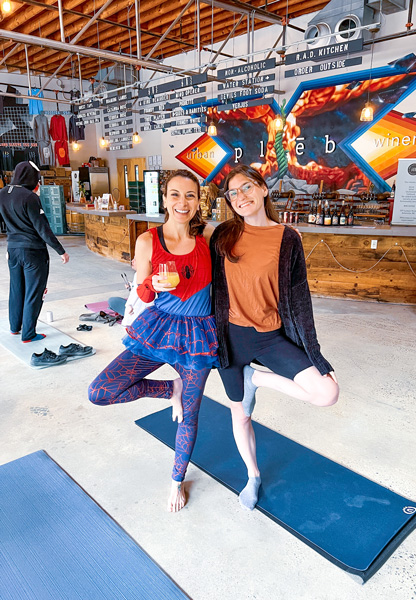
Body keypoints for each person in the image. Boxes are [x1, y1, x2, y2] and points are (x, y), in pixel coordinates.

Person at [210, 165, 339, 511]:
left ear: (264, 189)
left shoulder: (288, 238)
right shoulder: (222, 235)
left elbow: (299, 301)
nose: (241, 197)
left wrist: (316, 354)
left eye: (247, 187)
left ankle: (258, 379)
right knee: (240, 416)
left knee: (326, 392)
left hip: (269, 337)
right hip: (229, 338)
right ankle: (253, 476)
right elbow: (202, 284)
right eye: (233, 193)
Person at [88, 170, 218, 512]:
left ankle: (177, 480)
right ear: (164, 199)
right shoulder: (148, 241)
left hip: (198, 336)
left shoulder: (209, 236)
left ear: (198, 201)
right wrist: (153, 287)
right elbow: (141, 290)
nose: (182, 202)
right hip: (158, 328)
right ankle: (168, 390)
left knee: (190, 416)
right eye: (175, 195)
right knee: (99, 392)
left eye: (190, 196)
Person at [0, 161, 69, 342]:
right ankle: (29, 334)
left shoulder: (2, 194)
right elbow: (42, 228)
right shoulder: (29, 197)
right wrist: (60, 251)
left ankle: (15, 327)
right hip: (32, 251)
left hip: (12, 249)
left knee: (16, 290)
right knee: (34, 291)